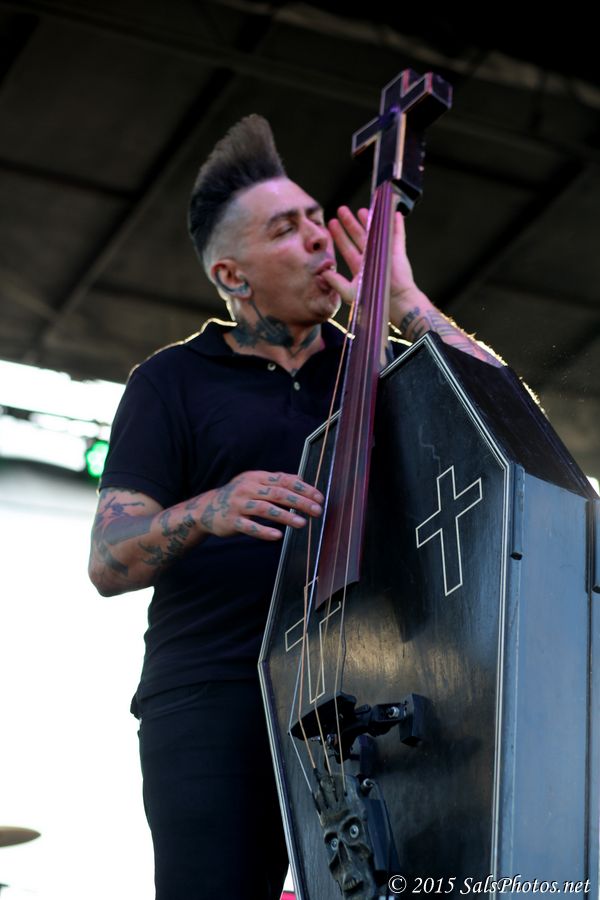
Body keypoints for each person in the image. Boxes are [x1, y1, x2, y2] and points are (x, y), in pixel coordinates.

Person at [88, 115, 501, 900]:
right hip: (215, 696)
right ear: (233, 275)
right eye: (286, 229)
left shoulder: (376, 368)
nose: (319, 238)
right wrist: (210, 508)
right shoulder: (172, 381)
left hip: (373, 694)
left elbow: (504, 420)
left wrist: (405, 300)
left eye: (317, 219)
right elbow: (109, 560)